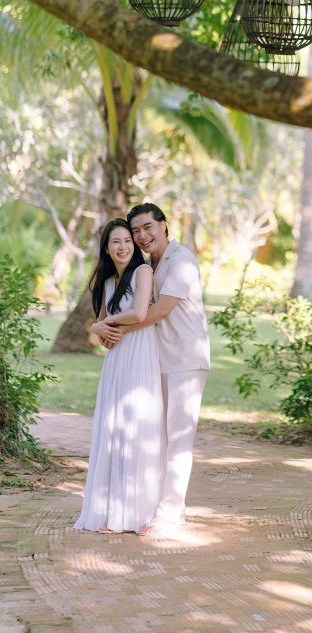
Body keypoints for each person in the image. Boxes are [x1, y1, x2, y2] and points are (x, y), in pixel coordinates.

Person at [98, 203, 210, 534]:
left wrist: (112, 328)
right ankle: (162, 506)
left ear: (164, 226)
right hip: (157, 360)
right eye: (136, 231)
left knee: (178, 438)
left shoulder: (182, 260)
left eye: (148, 227)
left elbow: (160, 310)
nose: (142, 236)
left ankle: (171, 512)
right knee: (156, 437)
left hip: (185, 361)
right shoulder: (149, 264)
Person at [74, 219, 164, 534]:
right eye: (116, 242)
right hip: (116, 359)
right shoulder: (109, 280)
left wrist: (103, 325)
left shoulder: (143, 273)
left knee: (134, 428)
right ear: (107, 247)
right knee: (112, 429)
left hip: (139, 354)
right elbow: (100, 326)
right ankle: (110, 510)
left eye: (128, 240)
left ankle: (133, 514)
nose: (124, 246)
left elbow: (139, 314)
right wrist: (100, 329)